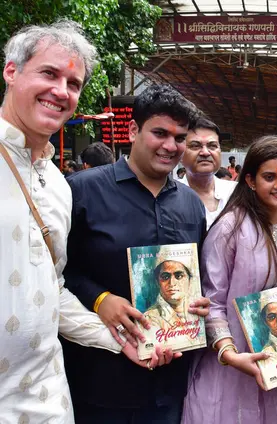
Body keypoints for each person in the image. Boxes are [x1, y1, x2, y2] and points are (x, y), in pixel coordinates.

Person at [0, 20, 172, 424]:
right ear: (11, 71)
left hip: (49, 398)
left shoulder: (58, 185)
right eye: (48, 73)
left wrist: (119, 341)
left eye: (73, 83)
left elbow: (51, 289)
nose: (61, 91)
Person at [62, 84, 210, 423]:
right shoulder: (81, 192)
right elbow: (55, 273)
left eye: (180, 137)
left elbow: (194, 275)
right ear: (133, 130)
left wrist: (198, 302)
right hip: (100, 382)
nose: (170, 146)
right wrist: (101, 299)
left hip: (169, 384)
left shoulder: (190, 205)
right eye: (160, 133)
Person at [182, 135, 277, 424]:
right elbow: (212, 301)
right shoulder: (231, 227)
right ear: (251, 180)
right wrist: (229, 353)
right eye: (269, 177)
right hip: (230, 366)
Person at [181, 115, 236, 229]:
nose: (205, 152)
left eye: (212, 146)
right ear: (180, 154)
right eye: (195, 146)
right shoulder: (168, 198)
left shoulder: (236, 194)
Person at [143, 256, 195, 336]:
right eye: (165, 277)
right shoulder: (150, 318)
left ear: (189, 281)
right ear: (157, 283)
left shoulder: (197, 310)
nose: (172, 283)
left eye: (179, 276)